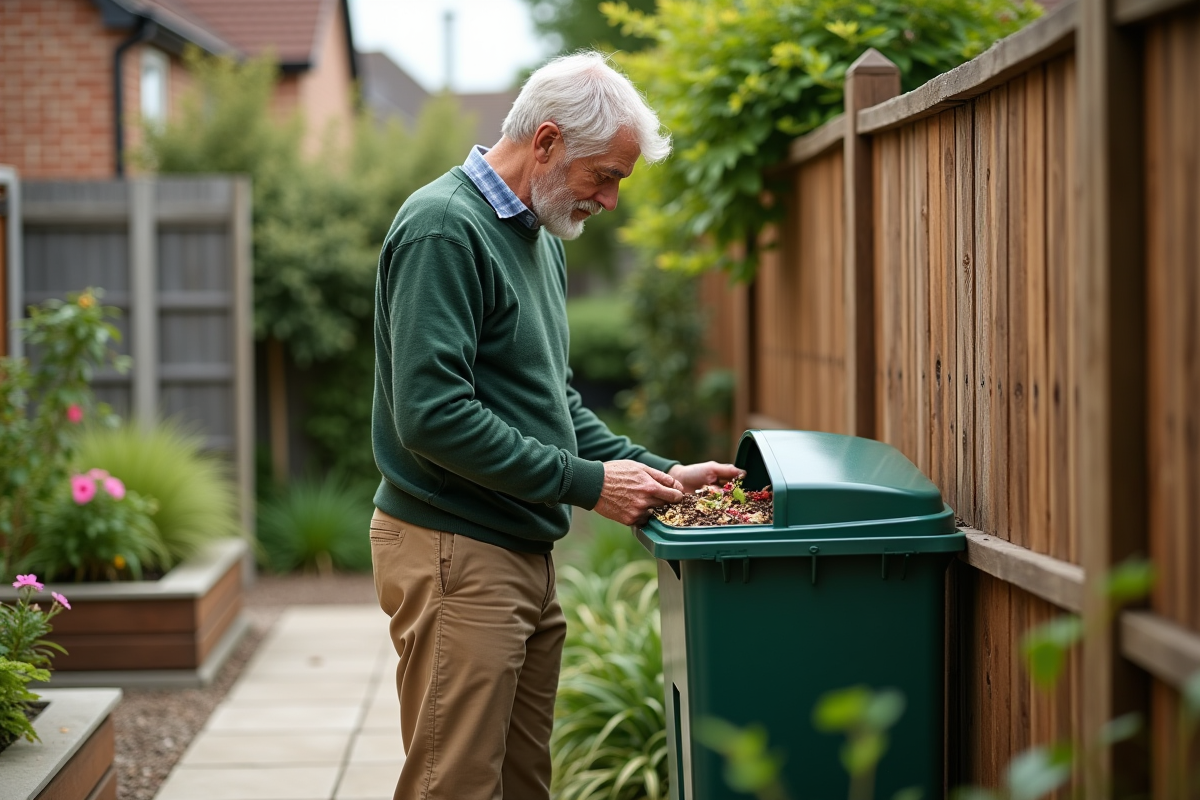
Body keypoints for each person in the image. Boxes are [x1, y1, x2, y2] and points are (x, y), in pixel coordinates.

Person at [369, 51, 742, 800]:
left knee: (522, 783)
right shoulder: (444, 230)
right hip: (456, 551)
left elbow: (554, 403)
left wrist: (659, 475)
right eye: (604, 175)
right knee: (456, 784)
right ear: (545, 142)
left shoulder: (538, 238)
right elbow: (431, 417)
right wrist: (588, 486)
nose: (609, 200)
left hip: (518, 549)